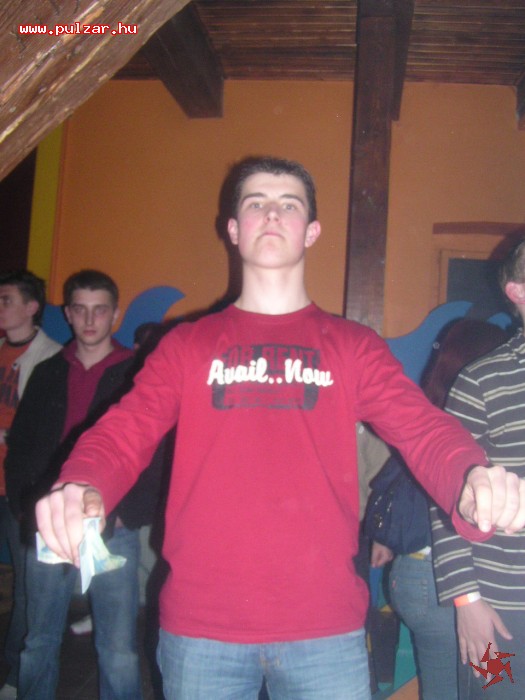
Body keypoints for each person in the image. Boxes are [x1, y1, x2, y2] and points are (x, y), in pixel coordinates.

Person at [34, 157, 525, 700]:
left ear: (311, 231)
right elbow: (125, 430)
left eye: (288, 205)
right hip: (201, 629)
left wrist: (469, 475)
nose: (271, 213)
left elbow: (422, 429)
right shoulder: (187, 345)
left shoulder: (353, 347)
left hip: (325, 630)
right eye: (256, 204)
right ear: (233, 229)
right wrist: (82, 480)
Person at [4, 270, 145, 700]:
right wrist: (28, 506)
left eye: (99, 310)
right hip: (49, 524)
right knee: (38, 640)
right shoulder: (49, 371)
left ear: (115, 315)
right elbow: (22, 446)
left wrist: (126, 514)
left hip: (113, 527)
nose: (89, 320)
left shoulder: (137, 373)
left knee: (118, 649)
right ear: (67, 314)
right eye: (80, 310)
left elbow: (154, 450)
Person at [367, 319, 508, 700]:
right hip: (448, 586)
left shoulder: (427, 414)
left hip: (413, 578)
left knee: (453, 687)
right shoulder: (477, 416)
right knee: (494, 684)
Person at [431, 237, 525, 699]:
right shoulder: (481, 379)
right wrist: (466, 602)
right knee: (497, 693)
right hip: (499, 617)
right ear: (518, 291)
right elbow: (445, 496)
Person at [0, 270, 61, 699]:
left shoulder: (51, 358)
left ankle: (14, 674)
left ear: (32, 307)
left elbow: (44, 433)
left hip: (16, 488)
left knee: (26, 586)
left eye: (5, 300)